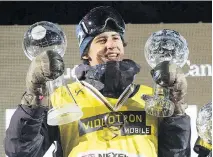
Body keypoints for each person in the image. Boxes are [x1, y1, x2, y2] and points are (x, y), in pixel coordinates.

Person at [4, 6, 191, 157]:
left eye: (116, 38)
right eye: (101, 40)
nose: (111, 45)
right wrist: (35, 94)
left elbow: (176, 153)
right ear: (86, 53)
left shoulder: (150, 98)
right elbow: (21, 151)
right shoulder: (61, 98)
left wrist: (175, 106)